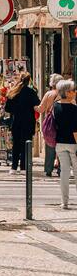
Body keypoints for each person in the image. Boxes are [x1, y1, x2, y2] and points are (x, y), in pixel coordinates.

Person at [4, 71, 40, 172]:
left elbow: (7, 108)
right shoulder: (31, 92)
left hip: (16, 121)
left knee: (16, 144)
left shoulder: (13, 91)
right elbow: (37, 105)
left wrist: (16, 110)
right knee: (26, 144)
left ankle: (14, 167)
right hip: (28, 122)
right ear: (29, 81)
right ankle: (24, 167)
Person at [53, 79, 77, 209]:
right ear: (67, 93)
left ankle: (64, 202)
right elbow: (75, 129)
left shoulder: (55, 106)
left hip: (60, 143)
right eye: (73, 90)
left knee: (64, 174)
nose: (75, 92)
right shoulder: (74, 109)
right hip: (73, 143)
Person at [39, 73, 62, 177]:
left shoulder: (48, 94)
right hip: (62, 123)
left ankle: (48, 169)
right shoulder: (64, 94)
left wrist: (32, 107)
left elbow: (41, 109)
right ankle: (61, 169)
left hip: (50, 124)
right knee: (62, 146)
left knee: (50, 146)